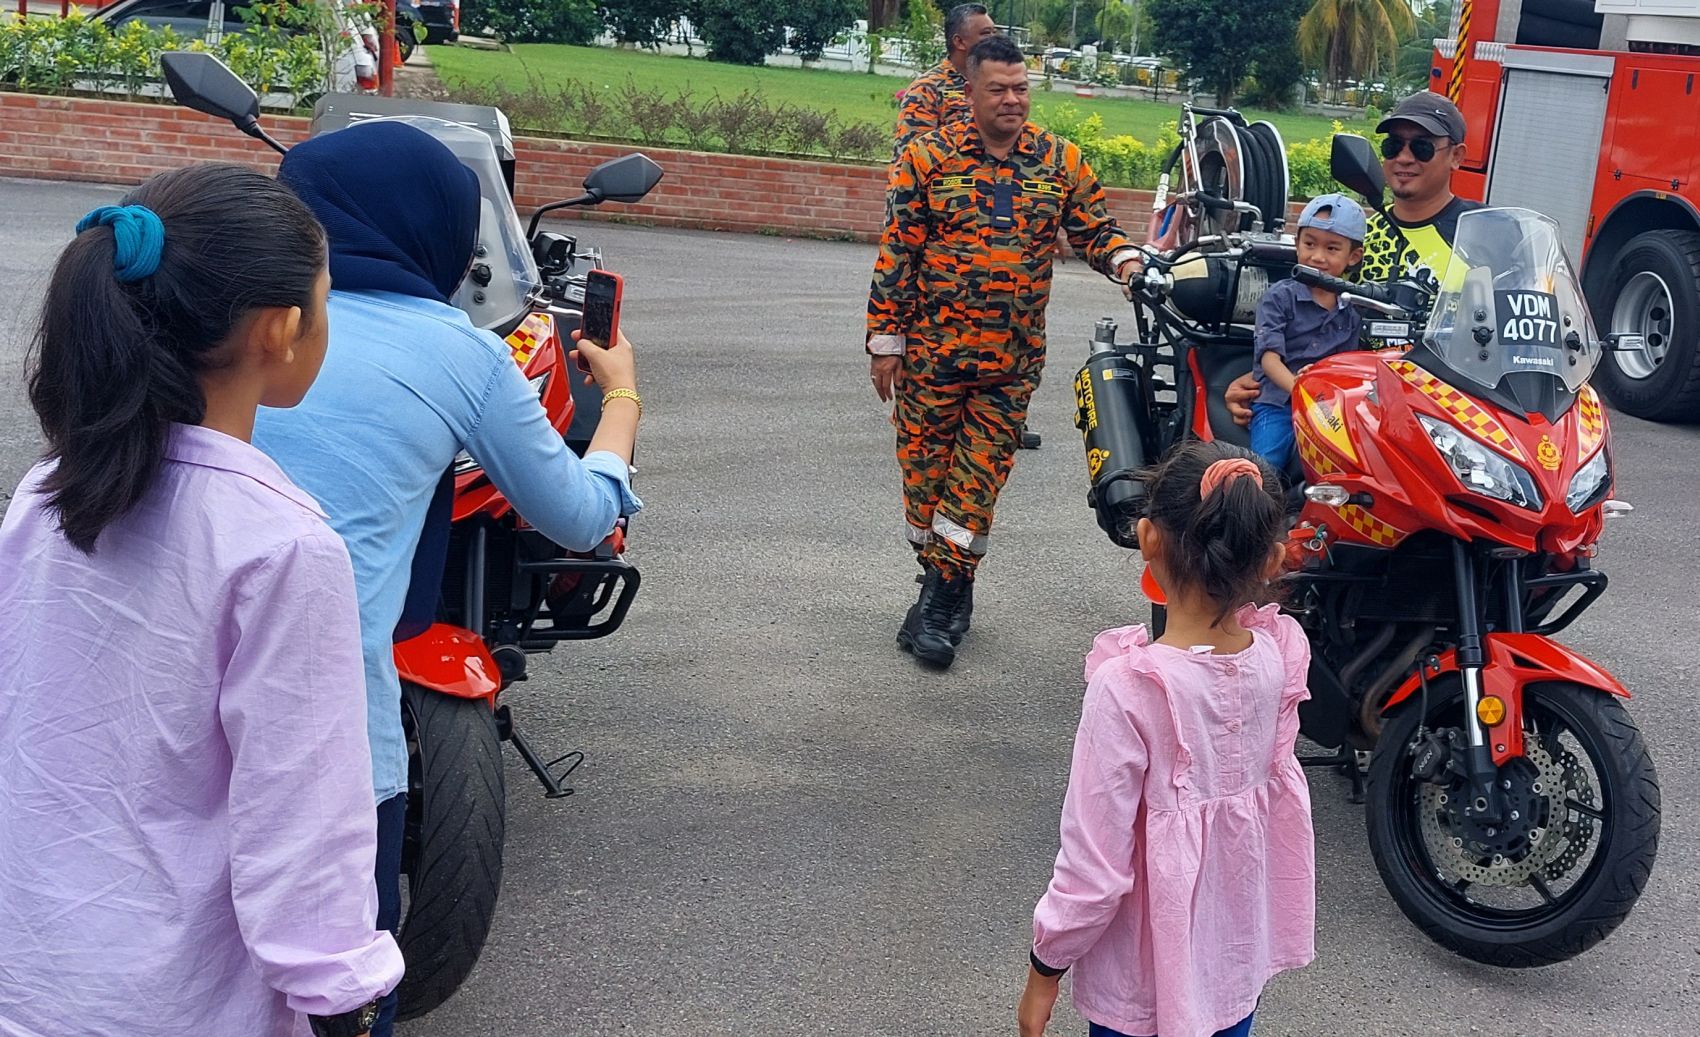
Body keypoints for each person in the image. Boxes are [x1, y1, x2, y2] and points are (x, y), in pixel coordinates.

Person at [254, 121, 642, 1037]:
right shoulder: (455, 349)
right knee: (342, 994)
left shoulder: (221, 325)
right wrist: (622, 396)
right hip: (334, 744)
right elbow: (583, 516)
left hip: (169, 718)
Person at [0, 164, 402, 1037]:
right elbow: (304, 829)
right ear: (280, 329)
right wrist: (346, 997)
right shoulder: (282, 546)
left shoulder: (45, 493)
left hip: (32, 975)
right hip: (180, 1003)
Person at [1018, 441, 1315, 1037]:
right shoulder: (1280, 656)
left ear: (1149, 539)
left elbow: (1094, 868)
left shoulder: (1128, 687)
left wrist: (1044, 970)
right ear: (1272, 558)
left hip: (1142, 976)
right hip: (1232, 960)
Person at [867, 35, 1143, 670]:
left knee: (976, 484)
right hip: (929, 359)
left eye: (1022, 88)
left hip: (1010, 366)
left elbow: (1094, 229)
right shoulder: (927, 158)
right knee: (924, 487)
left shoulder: (1059, 160)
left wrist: (1127, 261)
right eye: (999, 89)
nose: (1014, 99)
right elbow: (897, 253)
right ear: (970, 91)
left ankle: (942, 603)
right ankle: (945, 583)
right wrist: (885, 342)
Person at [1226, 91, 1480, 422]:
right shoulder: (1356, 240)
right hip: (1361, 410)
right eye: (1393, 146)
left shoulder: (1481, 235)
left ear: (1457, 156)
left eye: (1422, 146)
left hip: (1455, 410)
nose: (1404, 157)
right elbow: (1311, 321)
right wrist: (1261, 379)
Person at [891, 4, 1048, 451]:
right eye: (985, 32)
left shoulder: (1003, 91)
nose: (994, 36)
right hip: (945, 226)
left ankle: (999, 421)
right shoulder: (929, 92)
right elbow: (910, 164)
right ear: (961, 42)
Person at [1250, 194, 1366, 472]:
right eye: (1309, 244)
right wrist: (1299, 390)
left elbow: (1347, 366)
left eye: (1332, 248)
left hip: (1328, 409)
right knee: (1266, 465)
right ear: (1297, 243)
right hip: (1279, 402)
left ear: (1354, 256)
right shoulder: (1279, 297)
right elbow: (1269, 359)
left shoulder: (1352, 309)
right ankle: (1253, 510)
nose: (1317, 257)